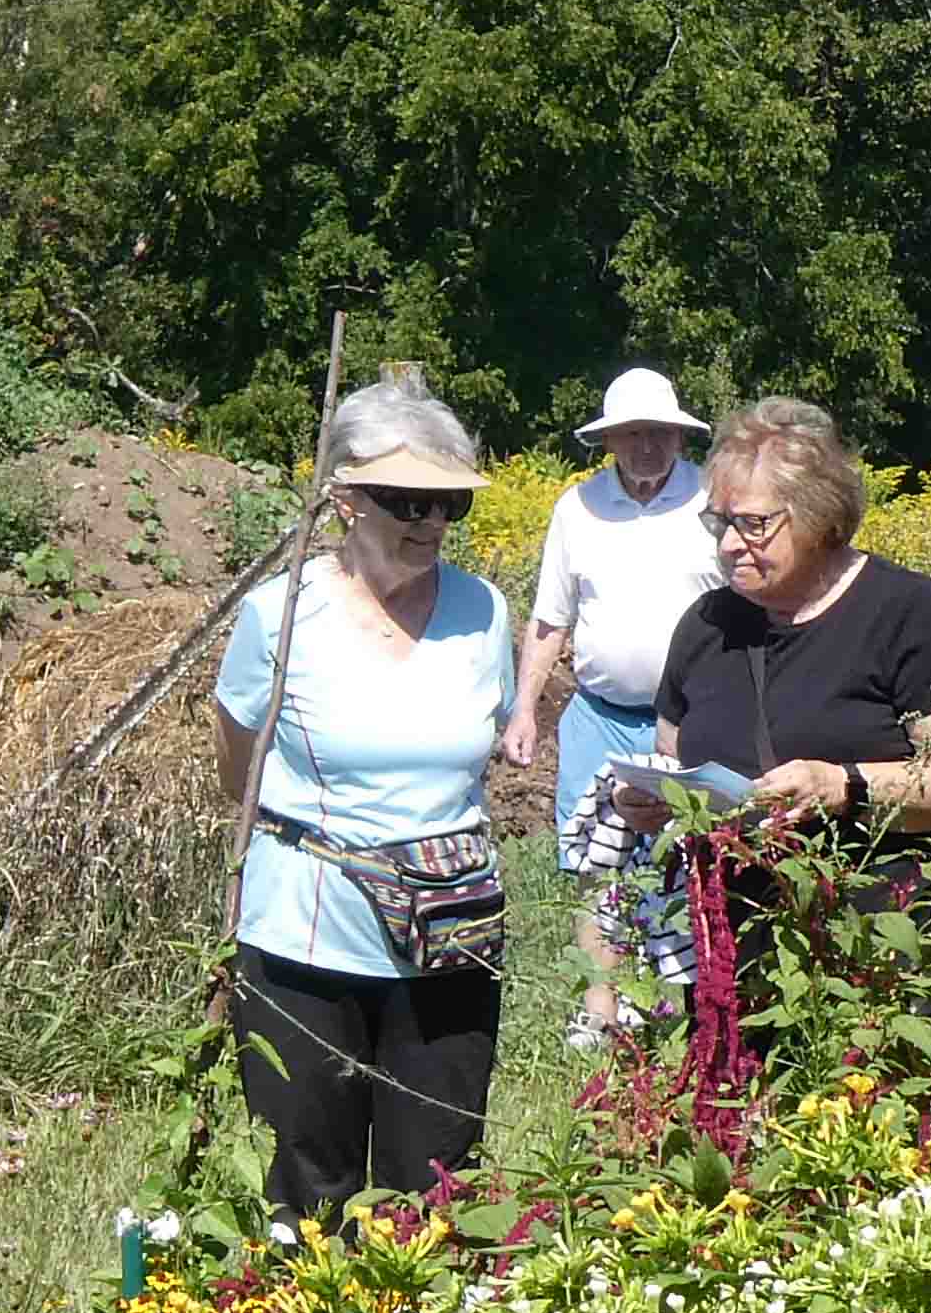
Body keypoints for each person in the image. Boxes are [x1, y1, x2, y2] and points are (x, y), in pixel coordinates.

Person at [215, 383, 517, 1216]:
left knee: (437, 1176)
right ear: (345, 499)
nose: (431, 523)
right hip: (306, 938)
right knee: (309, 1178)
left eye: (449, 503)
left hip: (449, 931)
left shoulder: (483, 610)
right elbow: (237, 761)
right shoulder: (280, 618)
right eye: (407, 501)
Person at [636, 397, 931, 895]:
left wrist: (842, 785)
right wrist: (648, 801)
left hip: (872, 932)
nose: (727, 544)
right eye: (720, 523)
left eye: (753, 524)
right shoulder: (706, 623)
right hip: (728, 939)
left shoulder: (908, 613)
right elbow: (672, 752)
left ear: (816, 516)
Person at [499, 368, 719, 1046]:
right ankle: (600, 1010)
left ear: (680, 435)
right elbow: (549, 619)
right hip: (601, 713)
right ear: (611, 440)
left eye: (659, 432)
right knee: (597, 864)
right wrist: (525, 709)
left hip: (697, 717)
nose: (647, 445)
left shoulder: (713, 499)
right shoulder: (578, 508)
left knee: (692, 860)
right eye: (632, 434)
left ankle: (691, 1009)